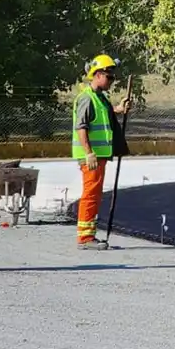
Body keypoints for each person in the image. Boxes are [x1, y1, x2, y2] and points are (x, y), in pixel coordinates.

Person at [72, 54, 131, 248]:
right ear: (97, 75)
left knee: (95, 194)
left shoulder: (100, 98)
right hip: (91, 158)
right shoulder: (86, 99)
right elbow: (81, 127)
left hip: (99, 157)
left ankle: (89, 234)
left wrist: (119, 109)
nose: (112, 81)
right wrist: (89, 153)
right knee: (90, 194)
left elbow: (105, 114)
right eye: (109, 77)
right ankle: (85, 237)